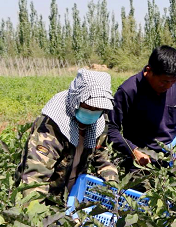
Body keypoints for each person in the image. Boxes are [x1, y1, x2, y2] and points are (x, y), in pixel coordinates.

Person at [15, 69, 118, 205]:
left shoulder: (99, 120)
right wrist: (35, 217)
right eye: (88, 106)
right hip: (49, 198)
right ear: (77, 100)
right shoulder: (51, 127)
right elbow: (35, 179)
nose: (92, 112)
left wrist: (113, 185)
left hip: (72, 195)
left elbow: (102, 157)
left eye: (97, 109)